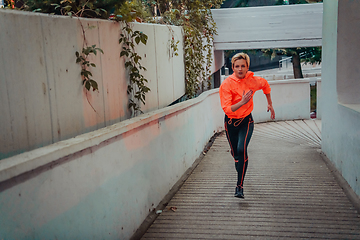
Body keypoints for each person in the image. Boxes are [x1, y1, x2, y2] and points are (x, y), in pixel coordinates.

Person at [219, 53, 275, 198]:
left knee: (241, 149)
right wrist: (242, 102)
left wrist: (270, 103)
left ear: (247, 67)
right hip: (230, 123)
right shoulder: (226, 84)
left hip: (246, 121)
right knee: (235, 153)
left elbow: (266, 86)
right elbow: (227, 109)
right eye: (237, 66)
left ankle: (239, 186)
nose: (240, 69)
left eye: (243, 66)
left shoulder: (253, 81)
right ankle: (237, 159)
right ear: (232, 67)